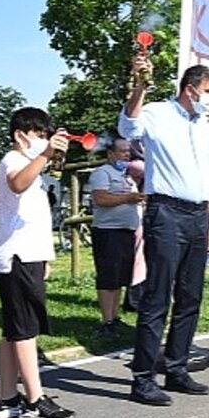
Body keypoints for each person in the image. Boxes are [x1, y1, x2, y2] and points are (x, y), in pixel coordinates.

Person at [118, 56, 209, 406]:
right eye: (208, 92)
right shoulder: (158, 112)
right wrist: (141, 85)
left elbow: (208, 177)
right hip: (165, 212)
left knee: (191, 297)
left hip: (197, 216)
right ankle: (143, 378)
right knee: (157, 297)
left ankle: (176, 368)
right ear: (190, 90)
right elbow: (128, 126)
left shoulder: (203, 125)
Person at [0, 107, 74, 418]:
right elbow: (16, 184)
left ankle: (7, 398)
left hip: (29, 255)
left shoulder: (31, 166)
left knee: (14, 331)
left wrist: (46, 257)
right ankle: (35, 401)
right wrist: (46, 155)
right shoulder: (14, 161)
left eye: (46, 135)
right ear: (20, 135)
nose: (44, 140)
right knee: (25, 330)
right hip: (16, 256)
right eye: (39, 135)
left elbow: (36, 219)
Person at [90, 137, 144, 337]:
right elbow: (101, 198)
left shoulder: (127, 177)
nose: (127, 155)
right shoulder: (102, 173)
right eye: (122, 151)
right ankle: (106, 321)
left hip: (126, 232)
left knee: (120, 278)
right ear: (111, 154)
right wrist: (129, 198)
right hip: (108, 232)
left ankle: (115, 316)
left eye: (128, 152)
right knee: (108, 278)